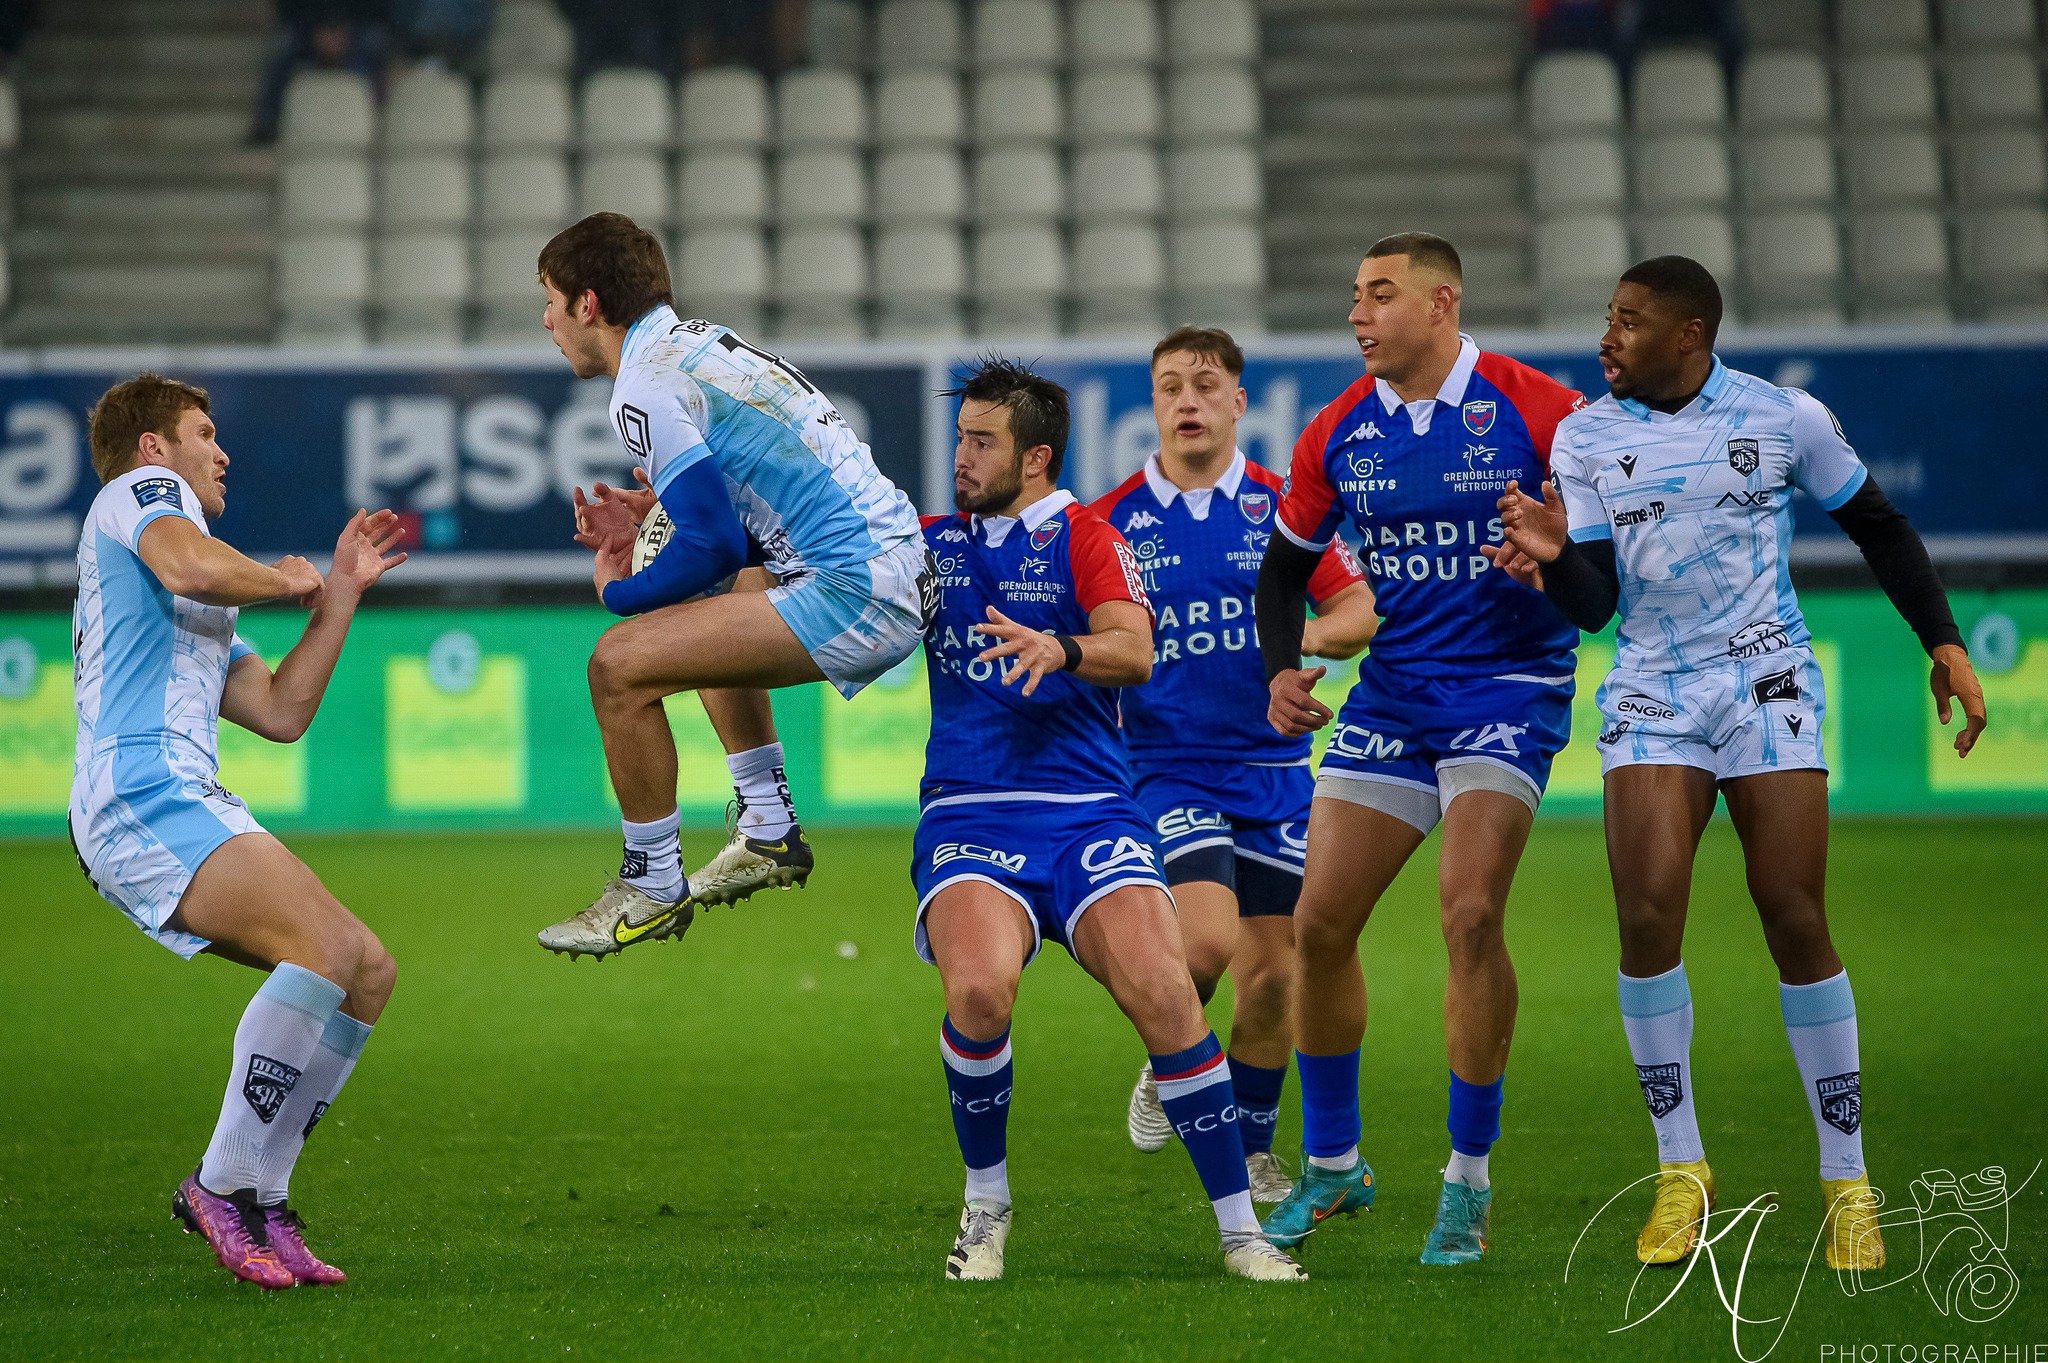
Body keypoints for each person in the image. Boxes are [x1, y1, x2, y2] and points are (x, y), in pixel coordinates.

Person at [1485, 255, 1987, 1270]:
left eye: (1627, 322)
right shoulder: (1582, 434)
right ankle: (1680, 1169)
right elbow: (1595, 607)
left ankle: (1845, 1180)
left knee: (1792, 912)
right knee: (1643, 912)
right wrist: (1549, 558)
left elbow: (1878, 527)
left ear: (1688, 335)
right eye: (1607, 318)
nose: (1605, 338)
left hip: (1764, 676)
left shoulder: (1780, 417)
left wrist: (1942, 639)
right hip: (1652, 687)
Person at [914, 357, 1304, 1283]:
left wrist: (1064, 645)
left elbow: (1134, 647)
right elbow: (789, 604)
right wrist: (646, 571)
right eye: (959, 437)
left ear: (1037, 456)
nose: (961, 457)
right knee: (977, 993)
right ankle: (987, 1206)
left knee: (1171, 993)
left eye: (981, 441)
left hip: (1091, 810)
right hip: (971, 811)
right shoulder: (926, 541)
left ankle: (1242, 1230)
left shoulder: (1088, 536)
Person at [1253, 233, 1587, 1265]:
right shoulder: (1334, 432)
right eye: (1351, 295)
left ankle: (1466, 1180)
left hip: (1507, 688)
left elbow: (1597, 589)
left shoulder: (1544, 412)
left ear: (1441, 303)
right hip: (1393, 696)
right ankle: (1334, 1164)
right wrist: (1279, 669)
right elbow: (1282, 573)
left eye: (1379, 295)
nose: (1357, 314)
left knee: (1470, 912)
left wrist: (1558, 560)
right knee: (1315, 925)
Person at [68, 374, 407, 1288]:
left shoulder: (194, 580)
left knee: (364, 970)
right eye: (204, 433)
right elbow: (193, 565)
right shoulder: (142, 500)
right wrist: (284, 574)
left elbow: (280, 709)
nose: (221, 452)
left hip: (181, 792)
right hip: (141, 788)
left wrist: (336, 594)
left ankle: (261, 1195)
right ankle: (218, 1185)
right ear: (153, 448)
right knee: (327, 944)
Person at [533, 213, 930, 958]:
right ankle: (769, 827)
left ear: (588, 303)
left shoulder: (641, 386)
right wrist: (659, 511)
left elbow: (711, 545)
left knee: (616, 665)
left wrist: (616, 593)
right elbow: (741, 517)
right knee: (697, 606)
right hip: (894, 563)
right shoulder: (698, 345)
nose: (546, 319)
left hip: (859, 585)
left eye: (551, 298)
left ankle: (649, 884)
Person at [1092, 326, 1377, 1203]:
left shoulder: (1281, 510)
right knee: (1207, 946)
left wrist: (1299, 641)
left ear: (1239, 403)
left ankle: (1252, 1149)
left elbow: (1359, 605)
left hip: (1277, 770)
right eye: (1170, 385)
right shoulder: (1109, 521)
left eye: (1206, 384)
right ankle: (1165, 1049)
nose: (1187, 400)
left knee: (1279, 977)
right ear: (1153, 404)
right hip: (1164, 767)